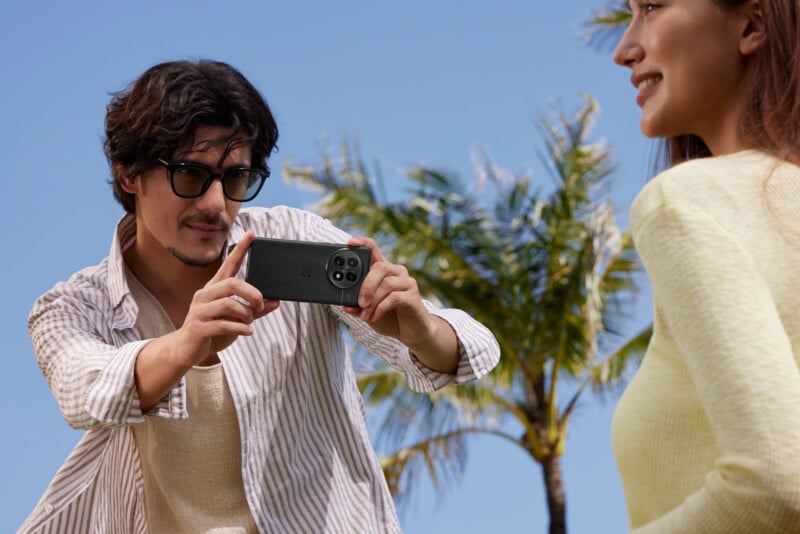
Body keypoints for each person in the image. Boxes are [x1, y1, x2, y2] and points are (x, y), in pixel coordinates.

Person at [20, 59, 500, 533]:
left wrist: (422, 331)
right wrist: (187, 344)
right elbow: (83, 392)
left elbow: (475, 350)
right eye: (189, 175)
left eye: (235, 179)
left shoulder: (292, 238)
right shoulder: (73, 307)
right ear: (129, 174)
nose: (214, 204)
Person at [610, 0, 800, 532]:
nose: (624, 50)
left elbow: (777, 484)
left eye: (652, 7)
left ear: (752, 24)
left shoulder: (687, 200)